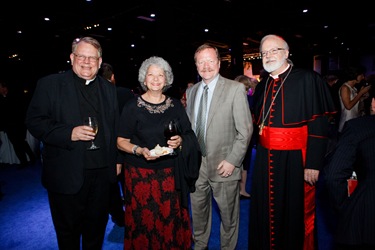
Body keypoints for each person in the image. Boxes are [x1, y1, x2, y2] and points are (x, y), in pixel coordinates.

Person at [25, 37, 121, 249]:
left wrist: (117, 160)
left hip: (101, 176)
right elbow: (34, 122)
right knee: (68, 235)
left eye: (92, 58)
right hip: (65, 174)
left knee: (96, 231)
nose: (87, 62)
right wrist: (69, 133)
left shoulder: (109, 89)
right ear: (71, 58)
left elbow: (115, 128)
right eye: (81, 56)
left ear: (100, 61)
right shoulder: (49, 84)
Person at [249, 34, 336, 250]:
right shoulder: (264, 83)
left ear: (286, 53)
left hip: (295, 158)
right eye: (264, 53)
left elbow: (319, 125)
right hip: (264, 158)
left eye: (274, 50)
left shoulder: (308, 79)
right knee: (266, 210)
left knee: (293, 211)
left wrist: (314, 163)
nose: (268, 56)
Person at [117, 56, 201, 250]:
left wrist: (180, 140)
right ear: (144, 79)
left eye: (160, 75)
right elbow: (120, 142)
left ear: (167, 79)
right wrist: (139, 150)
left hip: (171, 174)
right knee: (143, 221)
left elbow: (188, 133)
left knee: (169, 218)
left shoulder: (175, 105)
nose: (155, 79)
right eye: (151, 75)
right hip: (139, 175)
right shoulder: (132, 107)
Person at [185, 44, 253, 250]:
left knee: (228, 214)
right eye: (201, 62)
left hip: (224, 164)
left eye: (210, 61)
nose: (206, 66)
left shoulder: (235, 89)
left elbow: (245, 131)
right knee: (197, 210)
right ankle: (200, 244)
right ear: (196, 65)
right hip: (196, 165)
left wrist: (233, 160)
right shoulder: (192, 91)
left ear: (218, 63)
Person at [324, 87, 375, 250]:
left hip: (366, 213)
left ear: (373, 103)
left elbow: (333, 175)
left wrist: (345, 209)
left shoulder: (358, 127)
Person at [99, 62, 134, 227]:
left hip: (105, 147)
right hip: (126, 145)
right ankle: (133, 210)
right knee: (128, 181)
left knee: (111, 184)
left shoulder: (95, 95)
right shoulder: (126, 93)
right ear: (112, 77)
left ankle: (118, 216)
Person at [0, 80, 36, 167]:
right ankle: (25, 161)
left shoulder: (14, 97)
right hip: (10, 126)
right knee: (17, 144)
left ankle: (29, 159)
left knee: (21, 143)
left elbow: (19, 111)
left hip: (17, 125)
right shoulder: (2, 99)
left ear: (4, 87)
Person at [234, 74, 259, 199]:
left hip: (244, 135)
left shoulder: (249, 99)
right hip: (243, 134)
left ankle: (241, 190)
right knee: (242, 163)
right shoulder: (249, 99)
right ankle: (241, 190)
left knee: (242, 163)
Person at [338, 65, 371, 134]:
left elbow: (354, 102)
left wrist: (362, 97)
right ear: (355, 75)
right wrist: (361, 93)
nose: (363, 77)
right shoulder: (345, 88)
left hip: (354, 119)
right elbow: (348, 106)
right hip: (347, 121)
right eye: (361, 75)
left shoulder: (354, 88)